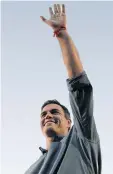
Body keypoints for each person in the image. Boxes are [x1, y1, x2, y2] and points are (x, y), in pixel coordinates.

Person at [25, 4, 101, 174]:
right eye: (43, 114)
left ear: (69, 122)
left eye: (54, 112)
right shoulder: (31, 170)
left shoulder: (82, 143)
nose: (48, 116)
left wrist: (62, 34)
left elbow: (80, 88)